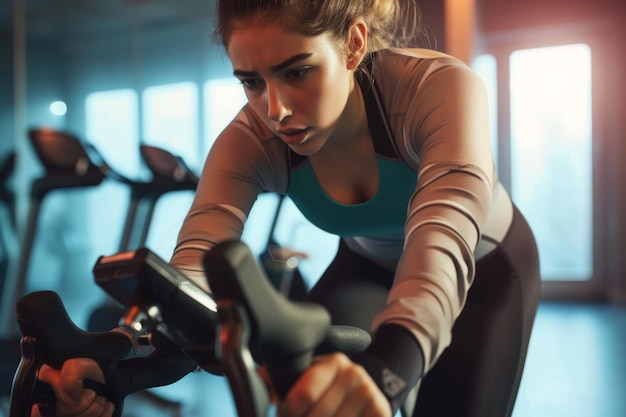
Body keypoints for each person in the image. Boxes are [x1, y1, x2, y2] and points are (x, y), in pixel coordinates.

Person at [33, 0, 541, 416]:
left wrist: (386, 374)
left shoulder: (435, 89)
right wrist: (124, 360)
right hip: (364, 266)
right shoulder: (250, 138)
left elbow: (441, 240)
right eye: (250, 81)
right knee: (308, 397)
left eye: (297, 71)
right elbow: (193, 270)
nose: (274, 110)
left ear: (354, 44)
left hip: (484, 271)